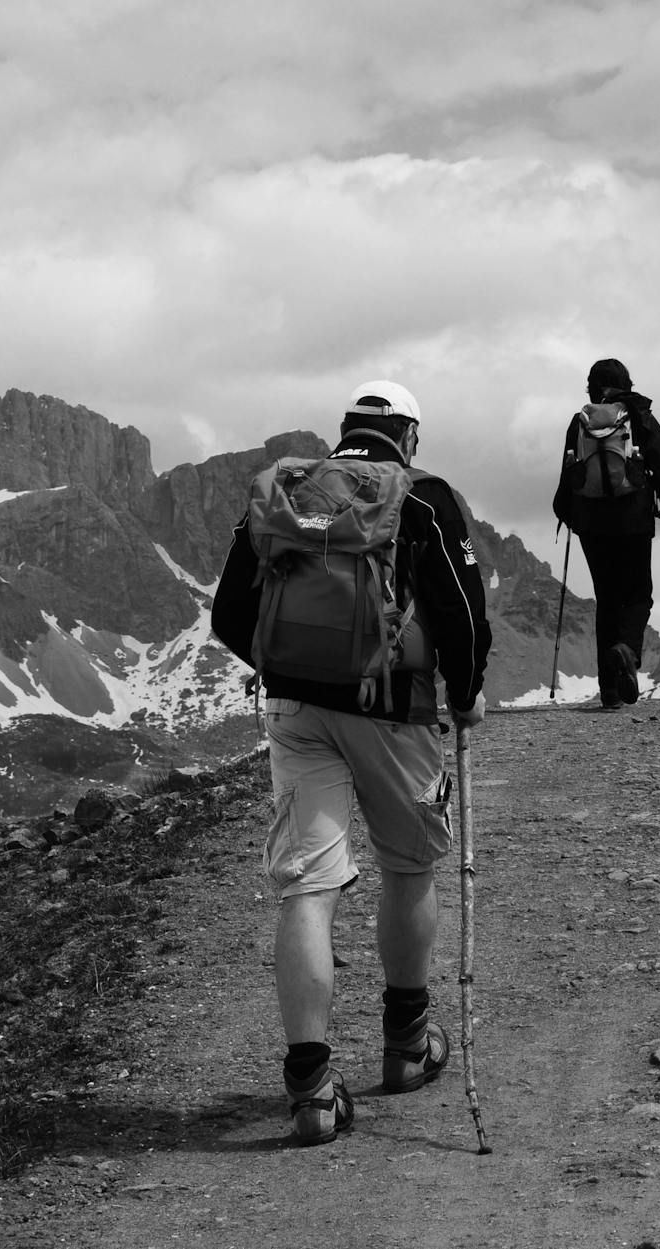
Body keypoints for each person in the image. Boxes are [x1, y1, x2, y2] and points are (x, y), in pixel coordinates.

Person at [211, 379, 491, 1147]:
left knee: (308, 885)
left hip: (295, 713)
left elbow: (228, 612)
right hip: (393, 709)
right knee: (408, 865)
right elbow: (464, 609)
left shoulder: (288, 493)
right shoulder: (422, 497)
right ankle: (406, 1044)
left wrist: (287, 664)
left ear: (345, 432)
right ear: (409, 437)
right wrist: (463, 693)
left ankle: (311, 1088)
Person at [551, 358, 660, 710]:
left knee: (606, 598)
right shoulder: (638, 416)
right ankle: (627, 649)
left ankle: (609, 689)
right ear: (625, 382)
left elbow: (569, 473)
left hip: (592, 524)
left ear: (591, 386)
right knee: (639, 594)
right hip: (633, 519)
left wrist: (566, 513)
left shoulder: (580, 422)